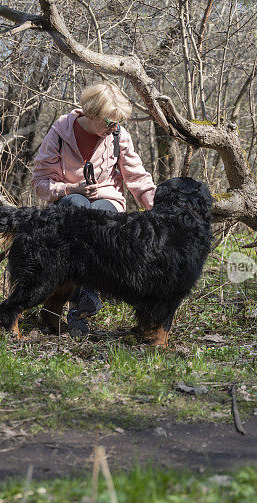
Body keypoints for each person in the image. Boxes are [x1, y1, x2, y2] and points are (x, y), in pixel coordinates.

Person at [31, 81, 157, 336]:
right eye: (109, 122)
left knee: (99, 213)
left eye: (117, 123)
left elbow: (138, 180)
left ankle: (82, 303)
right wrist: (70, 189)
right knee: (77, 207)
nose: (113, 128)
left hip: (107, 203)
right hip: (68, 202)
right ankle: (80, 304)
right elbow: (39, 183)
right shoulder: (60, 132)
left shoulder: (119, 136)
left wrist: (160, 211)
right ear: (91, 114)